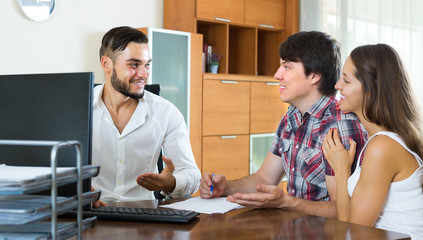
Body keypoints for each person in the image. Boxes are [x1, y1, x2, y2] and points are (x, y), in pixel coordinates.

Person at [199, 31, 367, 218]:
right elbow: (264, 178)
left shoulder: (340, 126)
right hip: (293, 227)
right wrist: (225, 187)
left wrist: (287, 203)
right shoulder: (290, 118)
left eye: (287, 67)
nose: (277, 75)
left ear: (314, 75)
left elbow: (344, 211)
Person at [91, 26, 201, 205]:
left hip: (144, 218)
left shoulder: (166, 113)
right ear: (106, 64)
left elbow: (191, 174)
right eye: (134, 64)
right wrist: (77, 190)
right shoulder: (79, 108)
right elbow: (54, 169)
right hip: (90, 214)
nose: (144, 74)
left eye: (147, 64)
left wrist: (170, 183)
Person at [322, 44, 423, 238]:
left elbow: (354, 233)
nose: (337, 86)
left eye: (346, 80)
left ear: (370, 89)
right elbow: (349, 225)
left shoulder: (382, 147)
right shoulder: (382, 140)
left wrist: (342, 171)